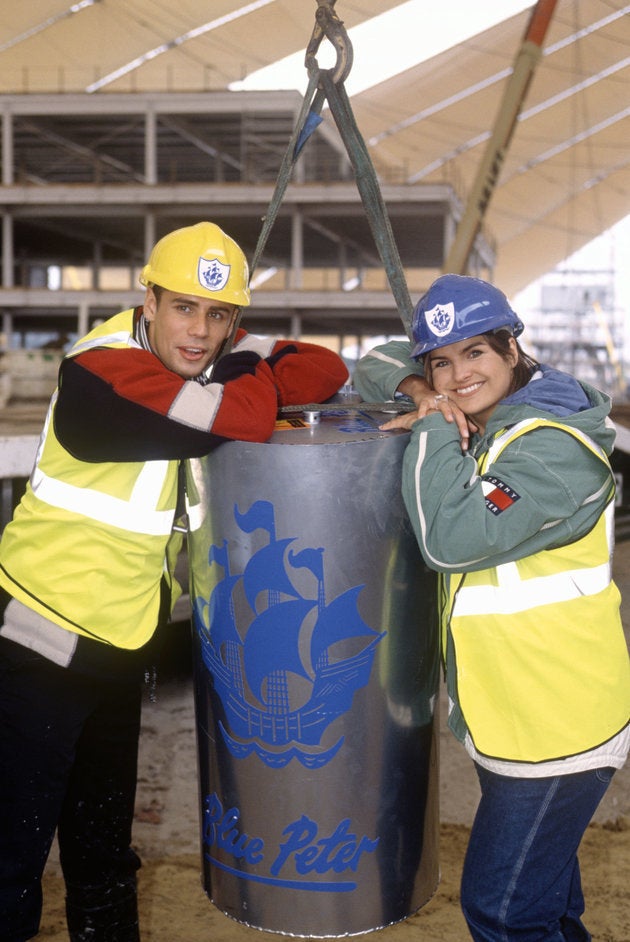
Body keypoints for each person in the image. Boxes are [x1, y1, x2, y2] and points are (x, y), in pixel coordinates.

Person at [0, 221, 348, 942]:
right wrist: (245, 367)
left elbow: (322, 369)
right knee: (10, 856)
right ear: (148, 300)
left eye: (219, 316)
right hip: (39, 644)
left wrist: (243, 359)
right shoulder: (102, 375)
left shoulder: (188, 370)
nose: (199, 331)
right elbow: (241, 417)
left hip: (118, 643)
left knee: (102, 853)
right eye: (184, 307)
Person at [353, 273, 630, 941]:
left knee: (503, 913)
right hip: (516, 715)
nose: (457, 375)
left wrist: (429, 426)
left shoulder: (556, 447)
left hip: (558, 729)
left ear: (512, 348)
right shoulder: (495, 412)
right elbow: (373, 363)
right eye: (442, 361)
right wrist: (421, 387)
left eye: (475, 352)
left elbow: (452, 539)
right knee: (550, 908)